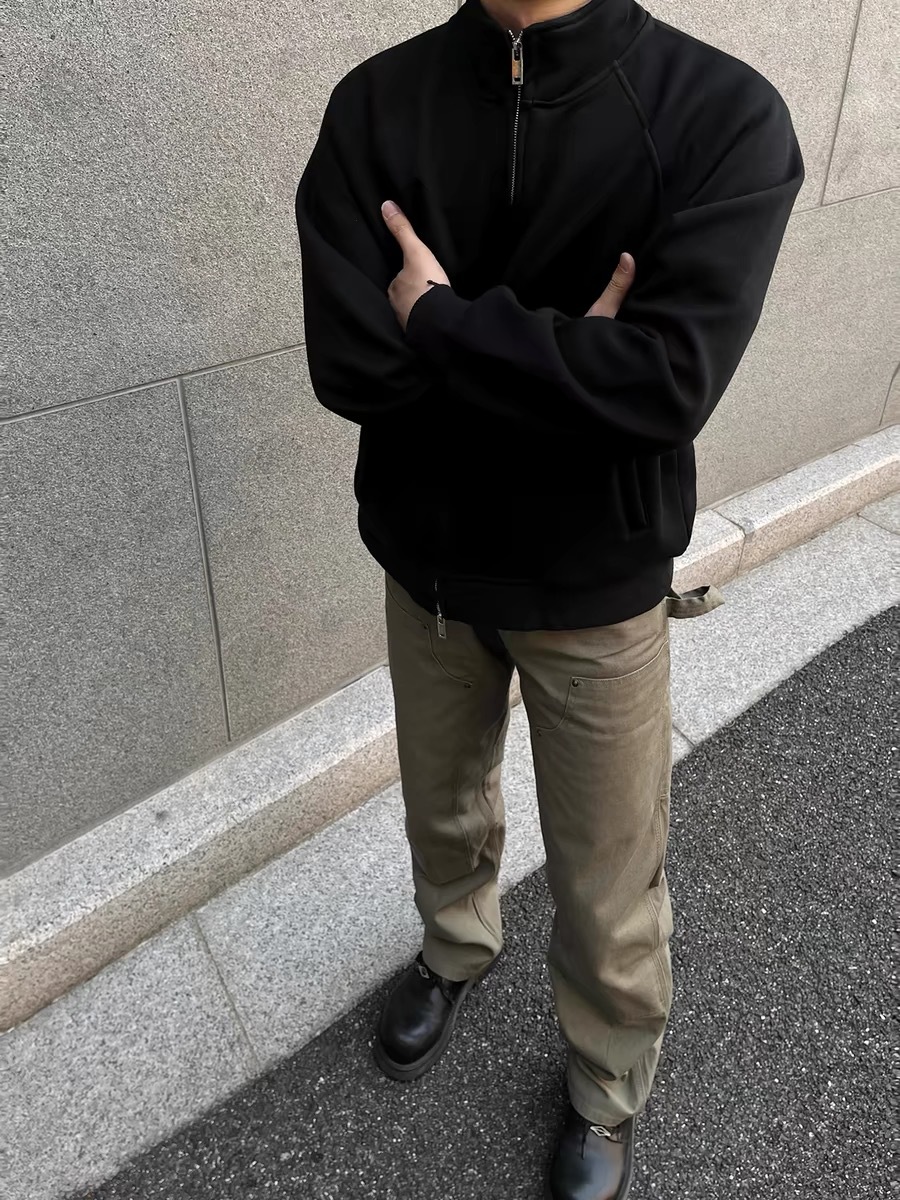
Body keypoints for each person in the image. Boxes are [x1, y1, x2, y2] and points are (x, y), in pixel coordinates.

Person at [294, 0, 803, 1194]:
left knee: (608, 868)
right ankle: (455, 946)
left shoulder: (721, 117)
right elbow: (350, 363)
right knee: (442, 802)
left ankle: (607, 1083)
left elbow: (665, 386)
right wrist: (570, 366)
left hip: (594, 583)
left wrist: (439, 319)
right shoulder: (378, 107)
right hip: (428, 561)